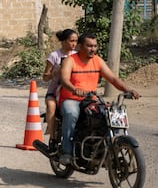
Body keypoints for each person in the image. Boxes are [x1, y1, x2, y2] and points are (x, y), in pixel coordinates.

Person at [58, 32, 140, 165]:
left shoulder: (97, 60)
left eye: (95, 46)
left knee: (109, 114)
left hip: (91, 100)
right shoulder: (70, 60)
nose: (93, 49)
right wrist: (74, 89)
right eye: (89, 46)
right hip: (72, 99)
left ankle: (107, 149)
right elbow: (64, 79)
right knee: (71, 113)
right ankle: (66, 151)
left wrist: (128, 90)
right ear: (79, 46)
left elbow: (113, 79)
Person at [42, 29, 78, 152]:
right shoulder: (54, 56)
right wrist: (54, 73)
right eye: (71, 41)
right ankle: (52, 139)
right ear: (63, 41)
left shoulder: (77, 56)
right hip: (54, 92)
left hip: (72, 91)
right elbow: (45, 77)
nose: (74, 44)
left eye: (76, 41)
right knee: (51, 107)